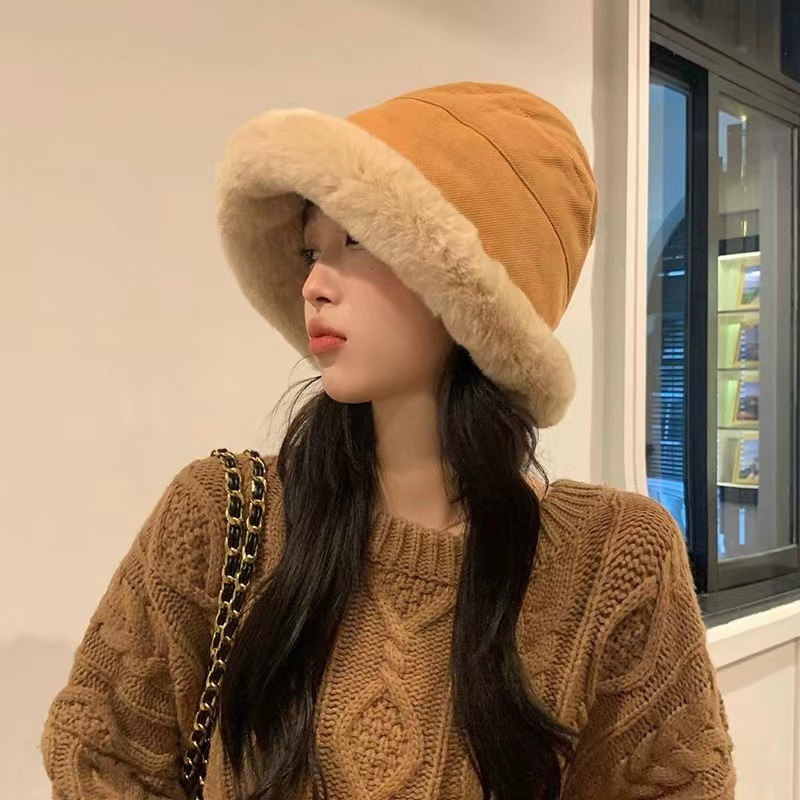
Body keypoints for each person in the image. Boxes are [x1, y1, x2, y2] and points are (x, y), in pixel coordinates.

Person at [42, 82, 736, 800]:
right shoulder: (220, 517)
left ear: (471, 294)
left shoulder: (614, 562)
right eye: (311, 248)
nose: (313, 283)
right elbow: (98, 753)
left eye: (359, 241)